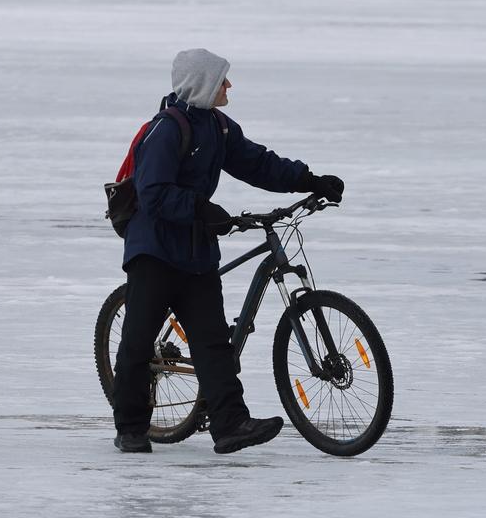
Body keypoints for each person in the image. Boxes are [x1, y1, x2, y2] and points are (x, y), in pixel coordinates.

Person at [112, 48, 345, 454]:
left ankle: (230, 425)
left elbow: (258, 163)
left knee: (213, 343)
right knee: (138, 340)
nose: (229, 86)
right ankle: (131, 428)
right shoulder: (166, 131)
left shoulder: (217, 128)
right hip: (154, 250)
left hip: (196, 251)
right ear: (202, 83)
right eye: (222, 79)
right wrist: (201, 209)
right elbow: (153, 194)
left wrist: (310, 180)